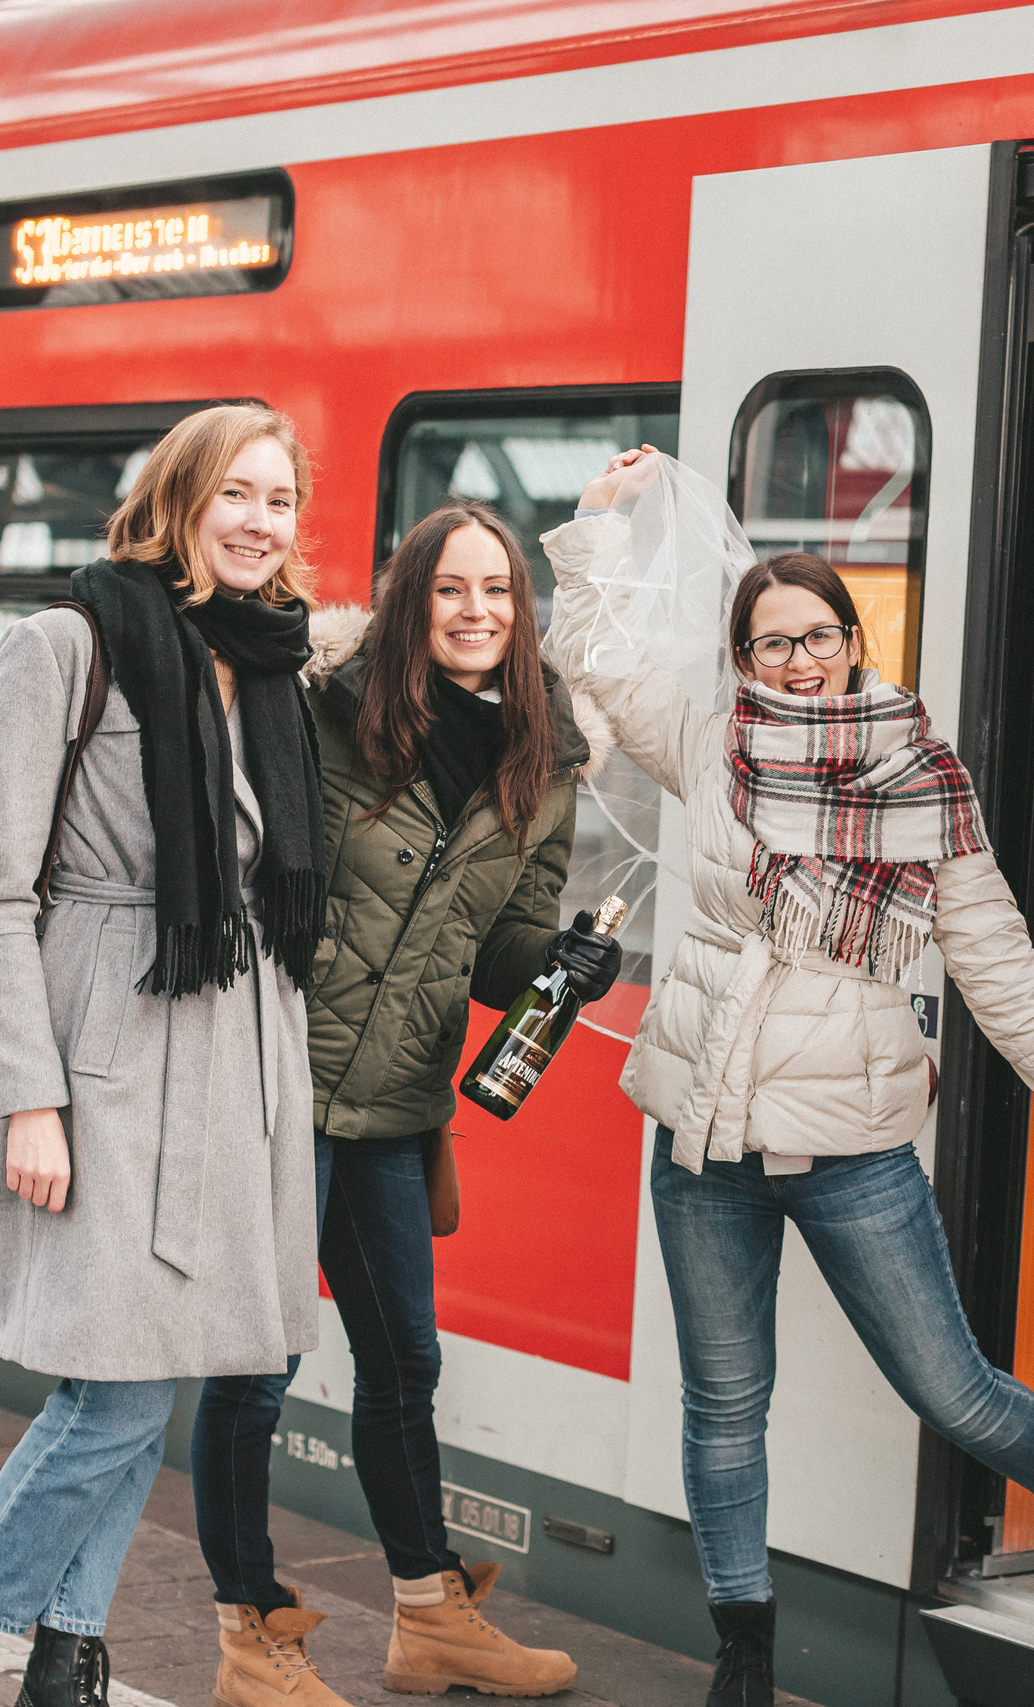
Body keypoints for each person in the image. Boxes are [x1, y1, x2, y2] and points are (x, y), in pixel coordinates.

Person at [541, 450, 1034, 1707]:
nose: (795, 662)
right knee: (724, 1411)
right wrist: (596, 525)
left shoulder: (917, 776)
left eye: (816, 637)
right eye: (768, 644)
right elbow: (599, 653)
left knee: (955, 1391)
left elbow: (991, 952)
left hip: (852, 1150)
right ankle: (745, 1648)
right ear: (739, 657)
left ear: (852, 639)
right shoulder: (706, 742)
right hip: (704, 1142)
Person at [0, 404, 328, 1707]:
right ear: (177, 499)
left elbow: (451, 657)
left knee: (146, 1374)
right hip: (110, 1052)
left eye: (279, 498)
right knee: (123, 1394)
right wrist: (30, 1097)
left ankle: (68, 1653)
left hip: (238, 1058)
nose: (258, 520)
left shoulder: (272, 663)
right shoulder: (65, 644)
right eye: (234, 493)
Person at [189, 499, 606, 1704]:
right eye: (450, 590)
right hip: (279, 1082)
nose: (477, 612)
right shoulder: (322, 716)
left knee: (405, 1362)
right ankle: (247, 1638)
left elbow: (497, 945)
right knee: (254, 1369)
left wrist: (560, 965)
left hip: (398, 1106)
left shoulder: (544, 758)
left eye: (499, 592)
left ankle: (430, 1620)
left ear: (522, 614)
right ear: (408, 602)